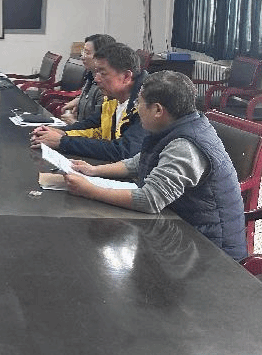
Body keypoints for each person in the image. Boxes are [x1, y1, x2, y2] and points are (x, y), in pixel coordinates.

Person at [61, 70, 247, 261]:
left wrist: (90, 190)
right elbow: (140, 161)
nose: (136, 107)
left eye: (139, 102)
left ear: (158, 110)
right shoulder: (177, 126)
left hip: (212, 253)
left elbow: (150, 200)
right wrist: (93, 171)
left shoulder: (185, 145)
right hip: (183, 231)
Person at [30, 43, 149, 162]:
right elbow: (92, 126)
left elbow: (125, 151)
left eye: (103, 73)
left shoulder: (147, 105)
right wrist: (61, 132)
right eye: (96, 73)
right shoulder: (112, 98)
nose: (96, 79)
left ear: (126, 77)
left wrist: (62, 142)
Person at [59, 33, 116, 124]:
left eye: (87, 53)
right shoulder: (90, 76)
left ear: (102, 56)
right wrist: (79, 100)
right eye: (83, 52)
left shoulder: (105, 88)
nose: (82, 57)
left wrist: (74, 123)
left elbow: (98, 127)